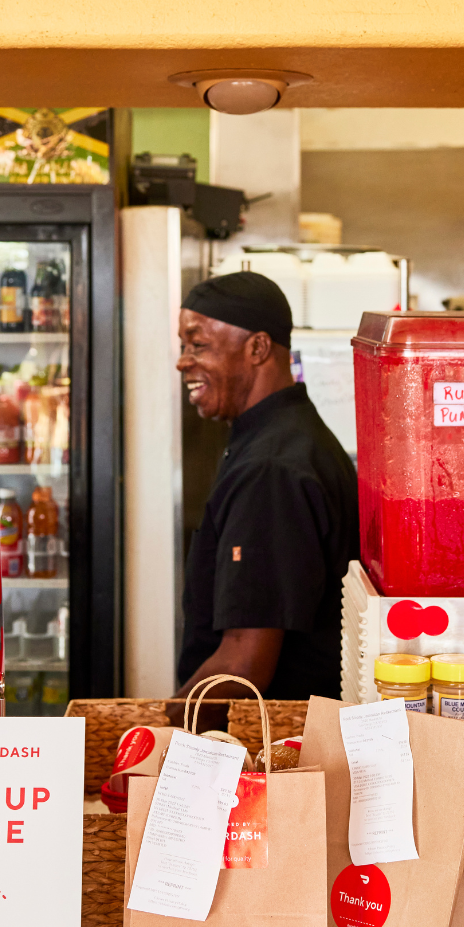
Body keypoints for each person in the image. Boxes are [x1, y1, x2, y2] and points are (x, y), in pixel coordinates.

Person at [175, 271, 359, 701]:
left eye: (198, 345)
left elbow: (243, 666)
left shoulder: (271, 469)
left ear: (257, 348)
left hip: (272, 743)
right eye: (183, 347)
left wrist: (164, 739)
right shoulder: (284, 437)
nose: (183, 361)